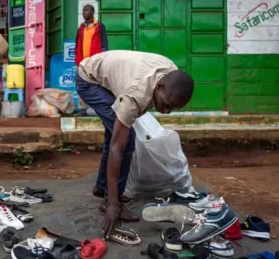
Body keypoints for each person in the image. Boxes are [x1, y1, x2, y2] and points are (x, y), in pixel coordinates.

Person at [76, 50, 195, 239]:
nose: (166, 112)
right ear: (160, 86)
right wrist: (115, 204)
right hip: (89, 80)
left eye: (173, 108)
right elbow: (117, 149)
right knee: (126, 141)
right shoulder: (135, 96)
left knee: (113, 132)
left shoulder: (170, 72)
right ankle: (110, 202)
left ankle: (102, 187)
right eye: (166, 105)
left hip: (110, 75)